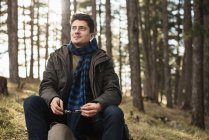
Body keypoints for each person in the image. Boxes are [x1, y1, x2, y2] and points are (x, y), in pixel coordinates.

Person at [23, 13, 128, 140]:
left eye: (82, 28)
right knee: (31, 102)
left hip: (93, 117)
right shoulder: (57, 56)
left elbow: (114, 91)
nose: (77, 31)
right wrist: (52, 99)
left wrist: (99, 104)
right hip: (63, 114)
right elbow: (47, 84)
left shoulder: (103, 59)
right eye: (74, 28)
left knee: (114, 112)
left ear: (92, 34)